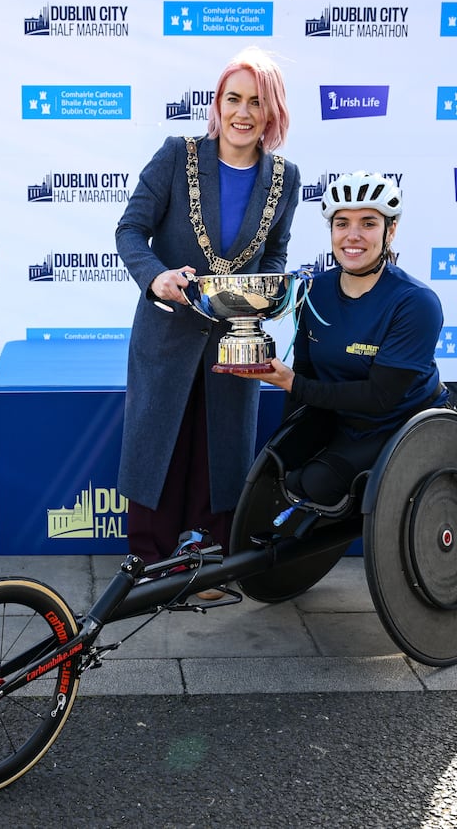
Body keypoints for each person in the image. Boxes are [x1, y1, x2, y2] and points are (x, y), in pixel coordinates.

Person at [115, 46, 301, 582]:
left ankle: (209, 559)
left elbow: (276, 253)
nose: (243, 112)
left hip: (235, 335)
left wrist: (262, 292)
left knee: (221, 444)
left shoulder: (285, 178)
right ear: (217, 105)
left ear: (272, 113)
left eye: (256, 102)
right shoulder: (178, 155)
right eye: (232, 99)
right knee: (160, 441)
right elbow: (131, 229)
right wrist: (158, 276)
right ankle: (148, 561)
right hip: (167, 330)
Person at [238, 170, 449, 506]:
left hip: (399, 424)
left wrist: (292, 383)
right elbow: (304, 371)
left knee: (317, 482)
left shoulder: (416, 302)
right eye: (342, 224)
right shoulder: (314, 291)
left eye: (368, 223)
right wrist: (287, 441)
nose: (353, 236)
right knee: (277, 470)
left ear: (390, 230)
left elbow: (381, 397)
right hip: (339, 417)